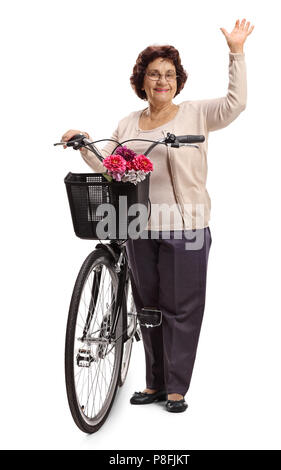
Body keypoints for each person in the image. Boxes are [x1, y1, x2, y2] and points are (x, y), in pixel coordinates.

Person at [61, 18, 254, 413]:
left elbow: (236, 104)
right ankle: (154, 382)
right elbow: (108, 164)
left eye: (169, 74)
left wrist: (236, 51)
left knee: (180, 308)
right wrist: (82, 142)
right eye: (153, 74)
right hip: (138, 225)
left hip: (186, 227)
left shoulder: (197, 114)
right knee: (148, 307)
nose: (161, 80)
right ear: (142, 81)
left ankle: (176, 387)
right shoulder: (129, 123)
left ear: (178, 81)